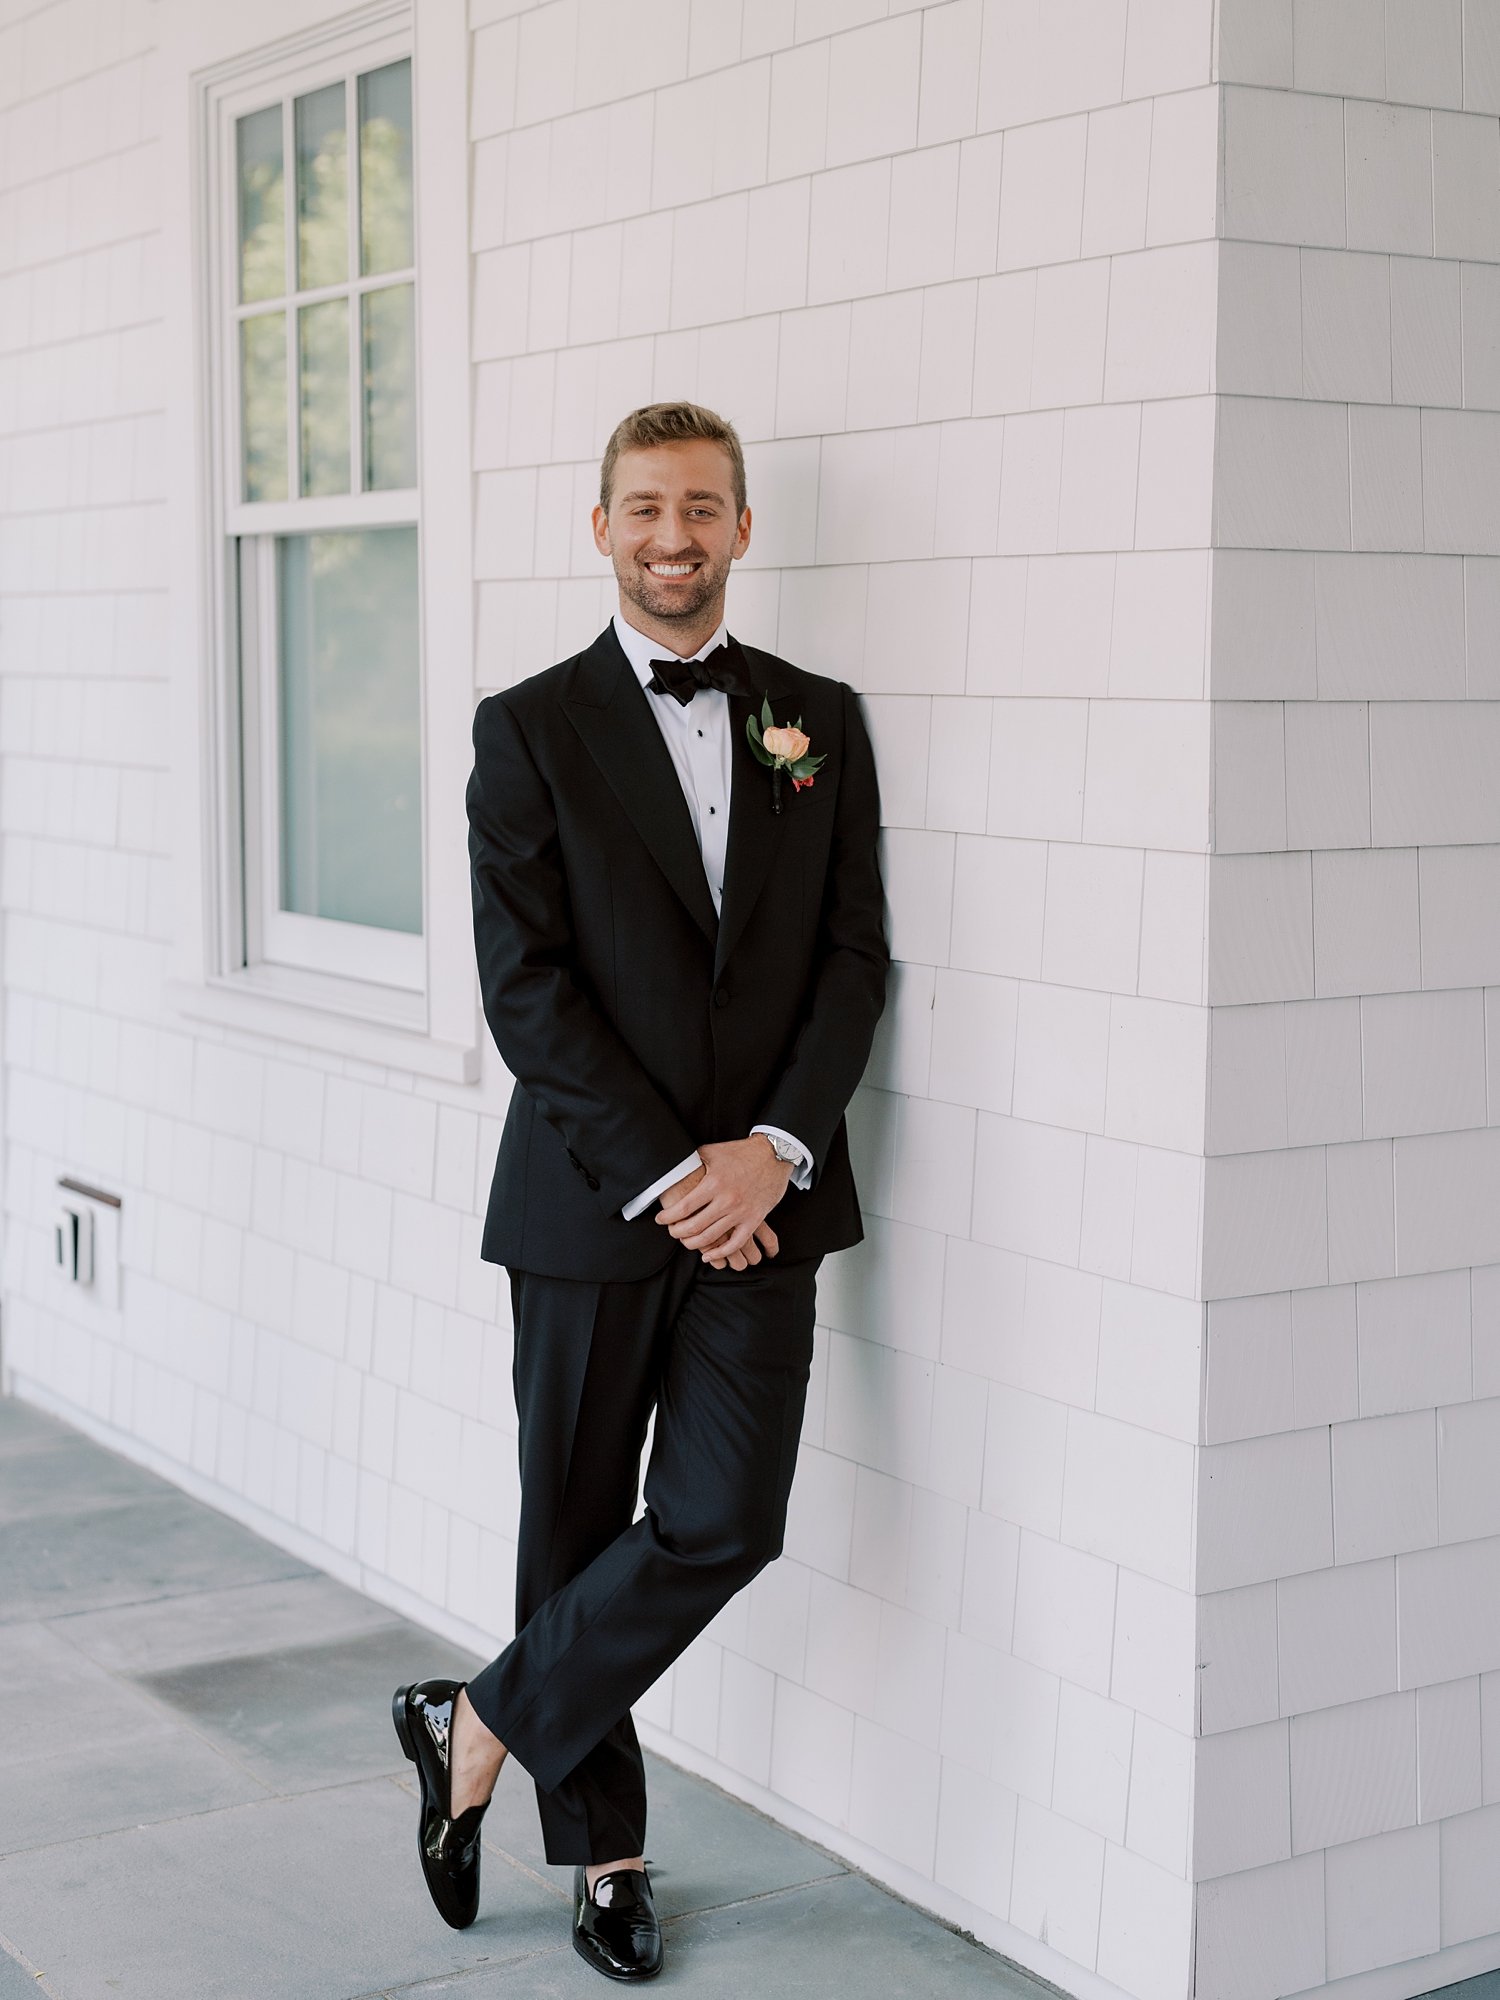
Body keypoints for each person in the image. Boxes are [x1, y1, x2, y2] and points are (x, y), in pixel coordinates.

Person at [392, 401, 888, 1981]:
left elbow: (849, 961)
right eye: (645, 509)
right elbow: (525, 989)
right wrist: (679, 1174)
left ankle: (473, 1720)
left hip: (775, 1198)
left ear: (745, 529)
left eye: (703, 508)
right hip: (593, 1203)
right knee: (577, 1522)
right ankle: (608, 1856)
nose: (674, 536)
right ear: (599, 528)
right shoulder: (525, 727)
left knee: (725, 1518)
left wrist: (776, 1152)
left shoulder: (820, 717)